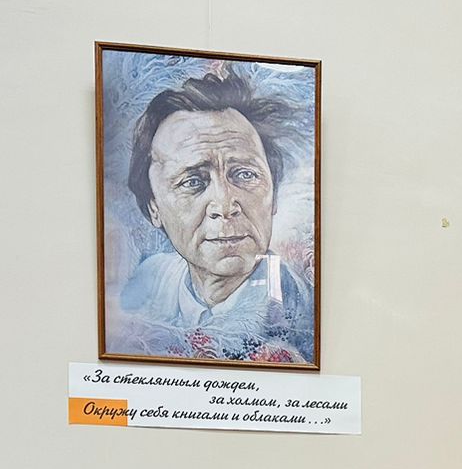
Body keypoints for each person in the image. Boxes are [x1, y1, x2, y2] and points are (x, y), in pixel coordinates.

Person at [114, 70, 314, 363]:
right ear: (153, 207)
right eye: (193, 181)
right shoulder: (149, 281)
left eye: (245, 175)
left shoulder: (300, 319)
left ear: (273, 195)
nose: (224, 204)